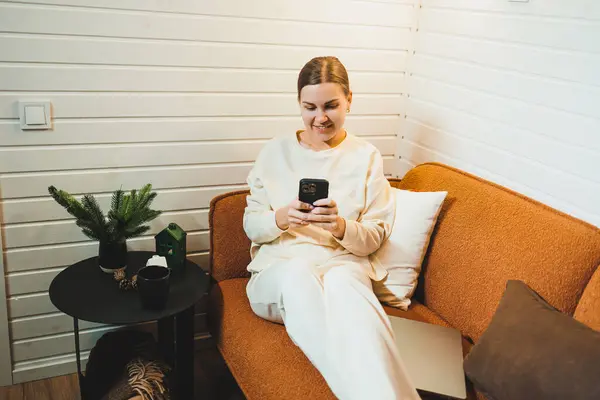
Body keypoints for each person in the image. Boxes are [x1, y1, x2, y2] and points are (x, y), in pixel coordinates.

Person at [243, 56, 421, 400]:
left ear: (349, 100)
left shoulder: (366, 157)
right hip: (281, 273)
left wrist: (340, 227)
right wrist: (281, 218)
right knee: (297, 272)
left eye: (331, 106)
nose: (319, 118)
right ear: (299, 103)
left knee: (346, 283)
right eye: (309, 107)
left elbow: (373, 237)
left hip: (341, 265)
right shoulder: (273, 153)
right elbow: (252, 225)